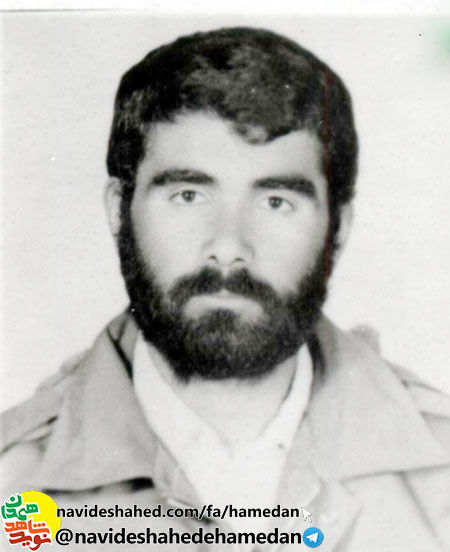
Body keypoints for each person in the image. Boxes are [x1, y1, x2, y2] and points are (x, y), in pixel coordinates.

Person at [1, 27, 449, 551]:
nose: (229, 248)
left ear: (338, 229)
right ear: (119, 212)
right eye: (188, 195)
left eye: (276, 202)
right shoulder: (14, 489)